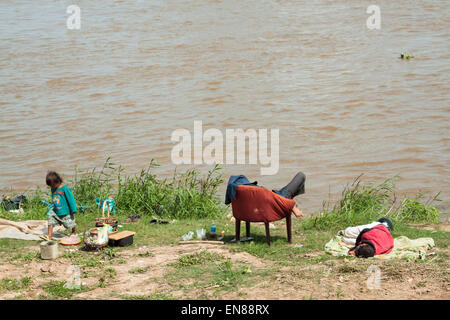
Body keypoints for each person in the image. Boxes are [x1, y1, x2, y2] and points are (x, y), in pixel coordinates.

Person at [45, 171, 77, 240]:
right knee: (50, 219)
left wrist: (73, 209)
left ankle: (74, 232)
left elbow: (71, 199)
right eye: (50, 186)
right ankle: (49, 235)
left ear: (58, 181)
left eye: (52, 185)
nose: (51, 187)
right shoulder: (52, 189)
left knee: (70, 223)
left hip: (66, 211)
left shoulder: (65, 189)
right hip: (56, 211)